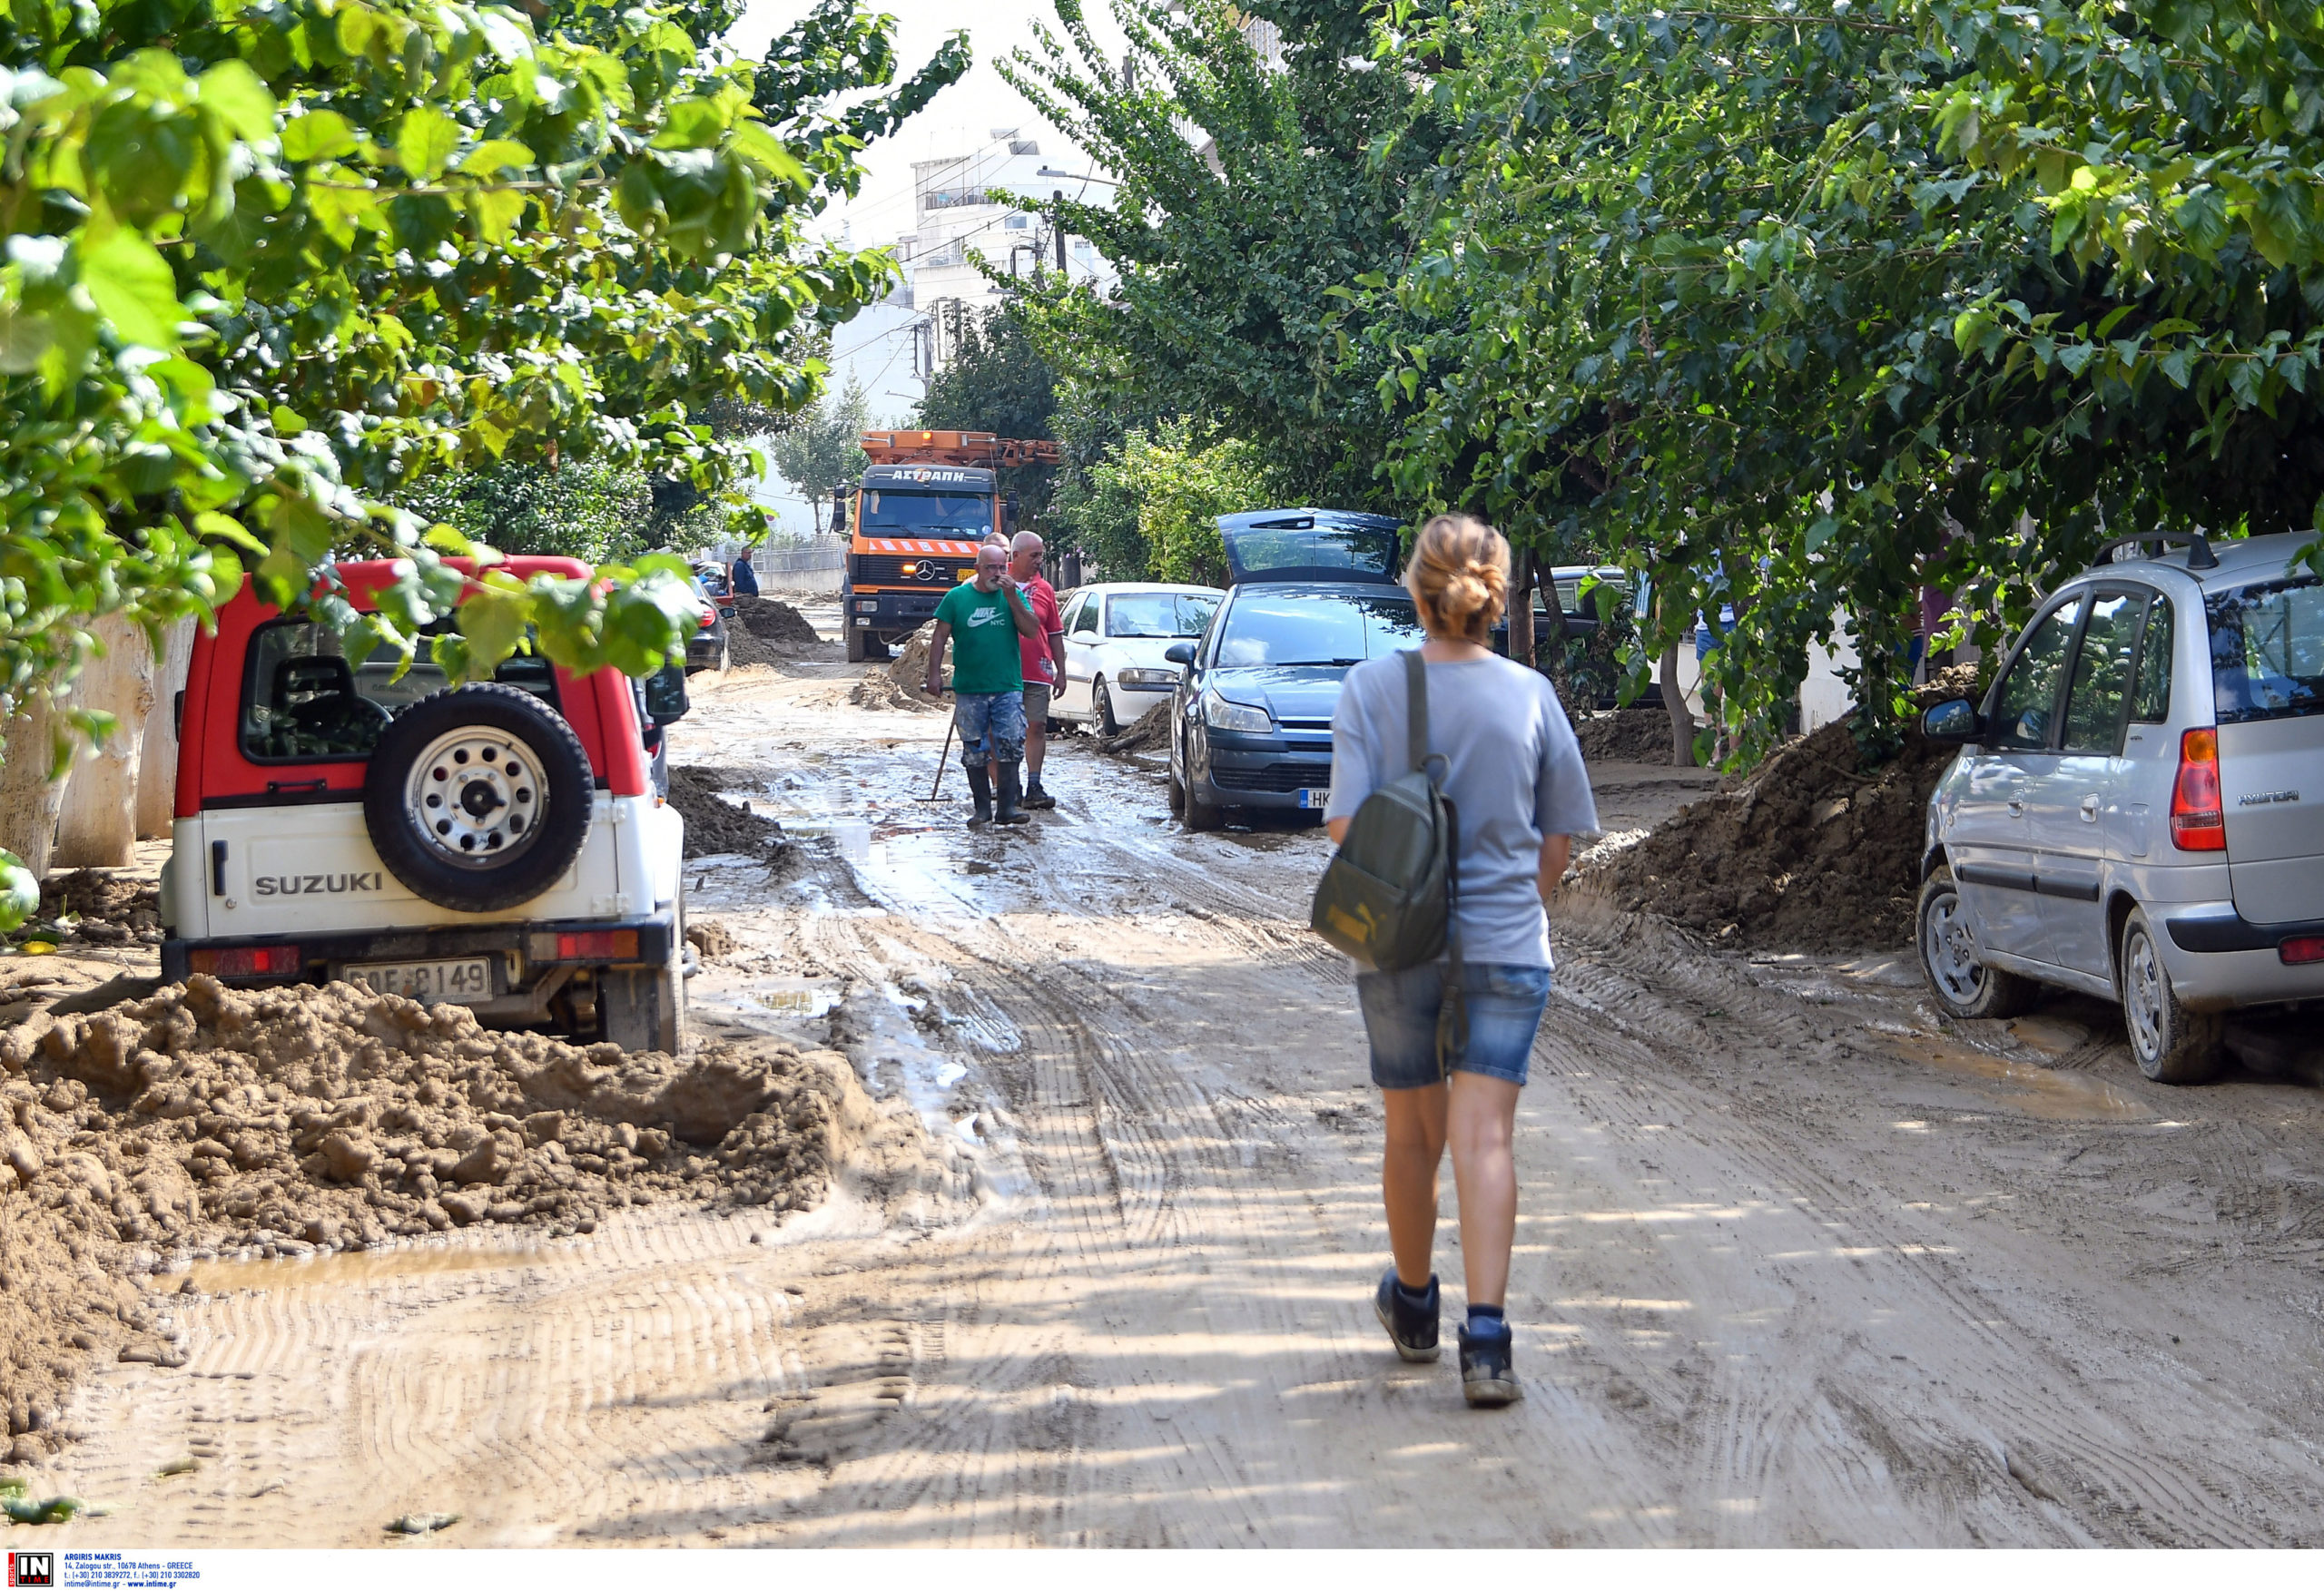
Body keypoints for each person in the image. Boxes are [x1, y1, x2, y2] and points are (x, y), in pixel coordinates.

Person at [1324, 513, 1598, 1409]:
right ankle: (1487, 1343)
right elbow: (1558, 839)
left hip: (1399, 947)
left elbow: (1345, 829)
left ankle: (1412, 1307)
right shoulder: (1532, 695)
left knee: (1412, 1136)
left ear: (1416, 590)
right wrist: (1518, 908)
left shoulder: (1371, 688)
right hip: (1509, 946)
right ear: (1495, 593)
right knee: (1485, 1138)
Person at [926, 542, 1042, 828]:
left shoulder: (1013, 596)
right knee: (975, 750)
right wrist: (934, 674)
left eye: (1002, 567)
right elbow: (940, 636)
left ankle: (1007, 809)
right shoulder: (957, 598)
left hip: (1007, 688)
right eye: (991, 567)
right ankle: (981, 810)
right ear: (977, 569)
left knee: (1011, 745)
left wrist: (1012, 596)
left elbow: (1031, 630)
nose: (997, 573)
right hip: (970, 689)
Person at [1007, 530, 1067, 809]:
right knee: (1005, 732)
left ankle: (1034, 784)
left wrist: (1061, 671)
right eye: (1035, 555)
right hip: (1002, 673)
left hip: (1037, 671)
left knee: (1037, 726)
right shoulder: (996, 584)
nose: (1039, 561)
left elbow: (1054, 633)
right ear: (1015, 556)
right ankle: (1007, 786)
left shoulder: (1045, 590)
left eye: (1041, 555)